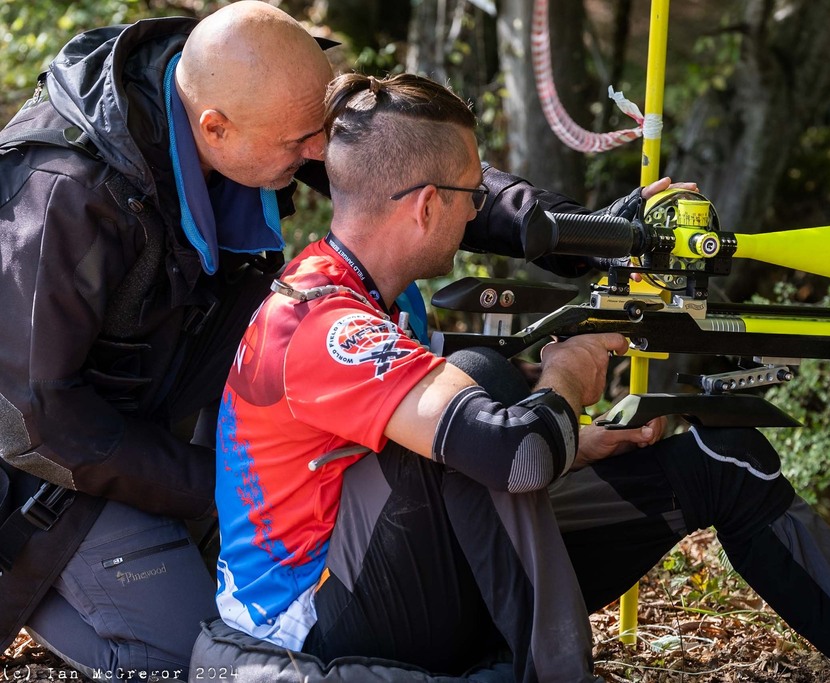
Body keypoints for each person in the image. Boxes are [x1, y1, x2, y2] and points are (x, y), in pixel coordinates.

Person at [212, 71, 830, 683]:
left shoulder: (379, 298)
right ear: (424, 206)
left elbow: (476, 451)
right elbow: (510, 453)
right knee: (485, 378)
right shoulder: (323, 322)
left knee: (724, 462)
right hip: (319, 618)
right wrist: (562, 376)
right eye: (470, 193)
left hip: (415, 570)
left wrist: (580, 438)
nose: (477, 210)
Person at [0, 2, 610, 677]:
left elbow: (404, 169)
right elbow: (33, 419)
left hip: (176, 418)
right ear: (216, 127)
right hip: (54, 470)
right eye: (302, 142)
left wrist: (586, 233)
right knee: (199, 662)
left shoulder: (258, 97)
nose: (320, 152)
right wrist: (223, 486)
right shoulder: (67, 195)